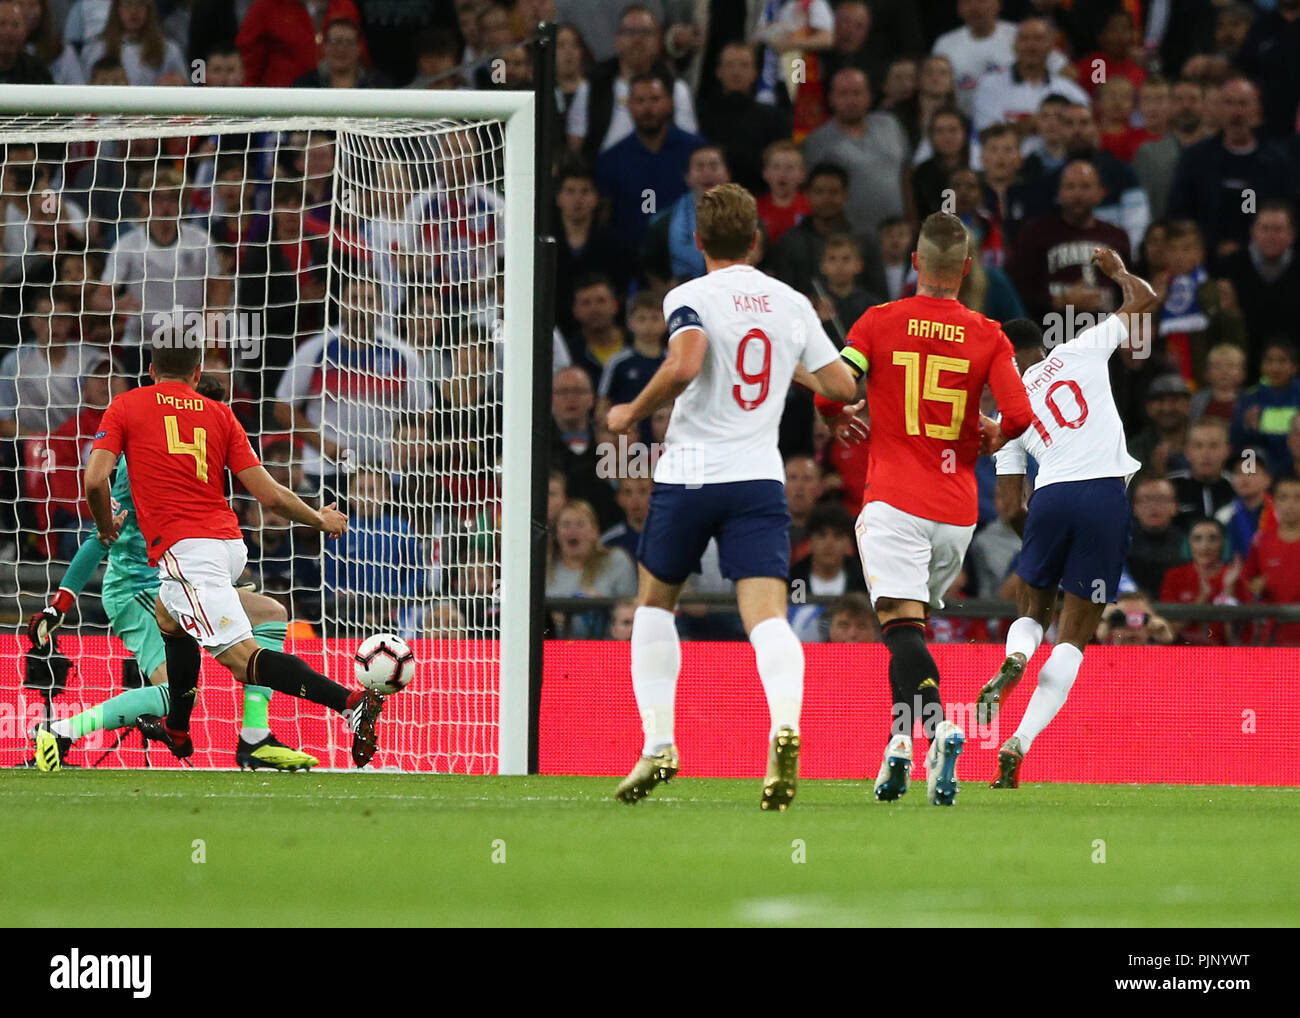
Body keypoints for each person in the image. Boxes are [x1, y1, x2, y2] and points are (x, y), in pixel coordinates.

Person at [604, 182, 860, 811]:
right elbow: (841, 381)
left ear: (697, 243)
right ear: (756, 239)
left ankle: (660, 743)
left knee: (656, 607)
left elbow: (688, 363)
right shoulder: (791, 302)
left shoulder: (688, 294)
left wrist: (630, 411)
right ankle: (784, 726)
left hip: (689, 475)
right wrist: (816, 386)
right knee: (767, 617)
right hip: (756, 480)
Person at [812, 210, 1034, 805]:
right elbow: (1019, 414)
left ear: (915, 264)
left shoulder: (878, 322)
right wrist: (995, 433)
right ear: (964, 269)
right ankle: (898, 747)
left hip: (894, 503)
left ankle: (939, 728)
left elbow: (832, 382)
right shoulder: (989, 334)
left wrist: (838, 415)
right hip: (957, 513)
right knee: (907, 628)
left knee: (903, 630)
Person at [80, 342, 386, 767]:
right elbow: (269, 495)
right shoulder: (220, 413)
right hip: (228, 545)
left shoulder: (127, 405)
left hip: (187, 553)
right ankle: (178, 728)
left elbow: (95, 482)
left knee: (243, 663)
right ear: (196, 373)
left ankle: (349, 702)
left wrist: (104, 524)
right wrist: (318, 518)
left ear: (150, 370)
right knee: (169, 618)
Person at [29, 375, 318, 772]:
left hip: (180, 581)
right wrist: (60, 603)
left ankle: (255, 738)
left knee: (270, 613)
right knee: (172, 691)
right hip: (139, 587)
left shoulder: (199, 451)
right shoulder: (144, 462)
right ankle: (60, 733)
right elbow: (103, 534)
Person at [984, 250, 1158, 788]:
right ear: (1041, 344)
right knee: (1074, 637)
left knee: (1034, 612)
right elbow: (1146, 301)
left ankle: (1014, 656)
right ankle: (1019, 743)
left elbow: (1010, 506)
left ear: (1004, 359)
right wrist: (1117, 274)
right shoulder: (1080, 349)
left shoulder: (1008, 407)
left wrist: (1041, 549)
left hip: (1051, 500)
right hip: (1105, 498)